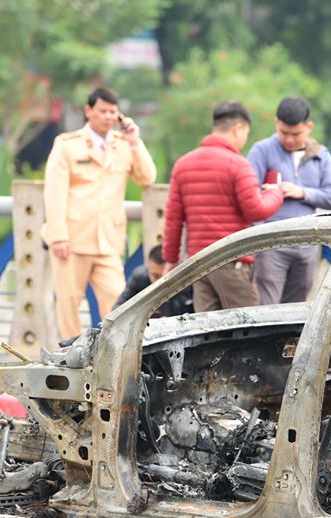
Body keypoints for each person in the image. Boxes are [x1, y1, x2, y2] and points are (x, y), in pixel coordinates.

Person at [42, 87, 156, 340]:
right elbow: (54, 193)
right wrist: (58, 236)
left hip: (108, 241)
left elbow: (147, 176)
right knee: (68, 305)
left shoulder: (123, 145)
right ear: (88, 111)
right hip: (71, 239)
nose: (107, 117)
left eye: (113, 112)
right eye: (103, 111)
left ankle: (111, 357)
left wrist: (135, 141)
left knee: (118, 303)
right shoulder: (67, 145)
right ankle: (70, 359)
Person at [161, 101, 283, 311]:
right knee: (248, 329)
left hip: (199, 264)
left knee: (206, 332)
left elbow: (173, 220)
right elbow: (256, 210)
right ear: (238, 128)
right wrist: (275, 192)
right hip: (231, 260)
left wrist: (170, 259)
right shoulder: (238, 164)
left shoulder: (183, 164)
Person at [247, 97, 331, 304]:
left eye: (296, 134)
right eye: (284, 133)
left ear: (309, 127)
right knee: (267, 308)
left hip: (307, 245)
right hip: (271, 245)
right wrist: (258, 241)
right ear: (276, 124)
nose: (289, 139)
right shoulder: (261, 151)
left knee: (297, 309)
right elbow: (249, 196)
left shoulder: (321, 155)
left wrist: (302, 192)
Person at [113, 244, 192, 316]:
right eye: (156, 276)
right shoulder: (139, 278)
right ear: (148, 268)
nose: (160, 281)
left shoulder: (186, 282)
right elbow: (118, 310)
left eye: (165, 276)